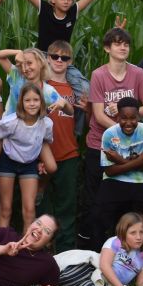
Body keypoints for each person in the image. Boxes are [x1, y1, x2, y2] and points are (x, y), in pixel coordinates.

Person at [80, 27, 143, 245]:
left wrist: (129, 112)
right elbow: (98, 115)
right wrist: (122, 129)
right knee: (96, 199)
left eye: (126, 44)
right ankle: (94, 247)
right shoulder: (99, 75)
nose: (123, 47)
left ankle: (124, 247)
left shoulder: (137, 74)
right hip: (100, 146)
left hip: (131, 149)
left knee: (126, 198)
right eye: (117, 43)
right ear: (107, 48)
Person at [0, 0, 121, 80]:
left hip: (63, 59)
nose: (66, 2)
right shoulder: (44, 8)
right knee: (32, 82)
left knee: (83, 85)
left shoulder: (73, 11)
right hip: (43, 56)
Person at [38, 38, 88, 252]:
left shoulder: (76, 89)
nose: (59, 60)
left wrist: (86, 110)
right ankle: (40, 252)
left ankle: (66, 253)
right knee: (42, 207)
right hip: (41, 155)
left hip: (69, 153)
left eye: (64, 58)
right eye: (54, 56)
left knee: (67, 207)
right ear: (47, 59)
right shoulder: (39, 86)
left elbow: (84, 121)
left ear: (70, 62)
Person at [0, 83, 57, 232]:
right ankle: (1, 242)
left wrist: (41, 161)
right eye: (27, 100)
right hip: (8, 161)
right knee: (5, 208)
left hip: (29, 164)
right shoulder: (11, 122)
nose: (32, 104)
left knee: (29, 209)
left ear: (41, 102)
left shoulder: (46, 123)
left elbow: (44, 141)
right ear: (21, 102)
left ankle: (27, 244)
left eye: (36, 100)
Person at [97, 97, 143, 236]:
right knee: (99, 215)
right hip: (115, 180)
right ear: (117, 117)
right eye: (123, 118)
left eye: (133, 118)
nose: (128, 123)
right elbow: (109, 171)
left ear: (139, 117)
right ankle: (106, 247)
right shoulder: (109, 134)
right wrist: (139, 161)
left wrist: (119, 160)